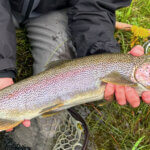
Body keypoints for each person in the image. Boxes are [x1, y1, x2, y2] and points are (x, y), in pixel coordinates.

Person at [0, 0, 150, 149]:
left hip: (51, 11)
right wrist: (2, 71)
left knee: (60, 60)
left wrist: (102, 52)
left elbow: (96, 5)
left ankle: (24, 141)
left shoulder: (128, 75)